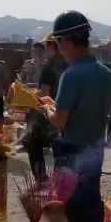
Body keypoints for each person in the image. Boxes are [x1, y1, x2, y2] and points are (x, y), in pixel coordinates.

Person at [42, 10, 111, 222]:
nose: (58, 48)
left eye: (58, 43)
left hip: (71, 151)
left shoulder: (71, 74)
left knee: (70, 207)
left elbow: (60, 120)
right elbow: (106, 109)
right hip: (95, 147)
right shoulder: (106, 73)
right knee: (91, 199)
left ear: (65, 41)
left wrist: (46, 110)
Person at [26, 33, 66, 183]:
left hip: (48, 114)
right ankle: (60, 182)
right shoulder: (69, 64)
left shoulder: (48, 67)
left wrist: (27, 97)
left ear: (54, 47)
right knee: (60, 149)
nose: (46, 51)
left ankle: (42, 179)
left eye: (47, 47)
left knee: (34, 144)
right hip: (65, 113)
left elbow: (44, 93)